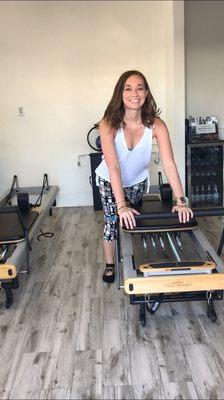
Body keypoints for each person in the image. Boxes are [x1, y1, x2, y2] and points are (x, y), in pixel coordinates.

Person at [95, 70, 193, 283]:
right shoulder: (108, 123)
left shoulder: (156, 125)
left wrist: (181, 200)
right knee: (113, 220)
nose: (135, 93)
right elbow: (113, 166)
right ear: (120, 93)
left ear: (146, 93)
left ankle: (138, 253)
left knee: (136, 219)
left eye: (140, 88)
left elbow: (169, 164)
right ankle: (110, 264)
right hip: (109, 181)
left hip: (138, 183)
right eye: (128, 88)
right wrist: (121, 205)